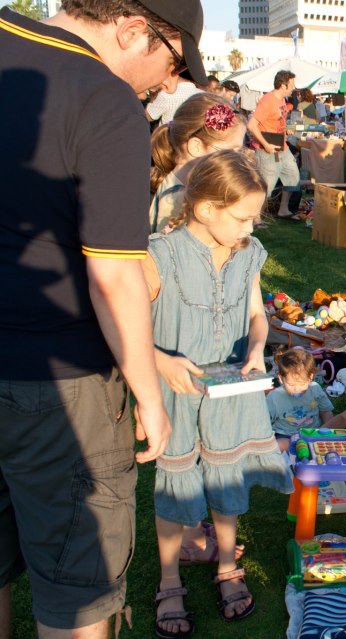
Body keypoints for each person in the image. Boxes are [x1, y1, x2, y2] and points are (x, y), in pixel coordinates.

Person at [0, 1, 207, 635]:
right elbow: (113, 277)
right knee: (80, 592)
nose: (167, 85)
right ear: (133, 29)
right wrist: (149, 392)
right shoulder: (105, 98)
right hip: (58, 384)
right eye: (172, 64)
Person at [144, 151, 293, 636]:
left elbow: (256, 314)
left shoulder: (248, 253)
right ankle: (170, 580)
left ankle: (227, 564)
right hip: (176, 391)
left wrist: (257, 347)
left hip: (231, 388)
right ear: (207, 209)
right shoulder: (159, 254)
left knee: (228, 477)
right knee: (176, 482)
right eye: (243, 217)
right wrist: (159, 363)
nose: (251, 227)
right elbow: (127, 325)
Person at [150, 93, 247, 232]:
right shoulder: (176, 197)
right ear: (196, 147)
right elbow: (170, 244)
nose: (237, 159)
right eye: (230, 151)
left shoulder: (190, 186)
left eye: (239, 150)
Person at [248, 70, 301, 220]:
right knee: (267, 185)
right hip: (267, 150)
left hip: (281, 147)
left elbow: (277, 122)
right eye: (292, 84)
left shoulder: (282, 100)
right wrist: (266, 145)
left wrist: (286, 130)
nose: (294, 88)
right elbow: (251, 125)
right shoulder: (267, 101)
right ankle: (255, 217)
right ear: (283, 85)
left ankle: (283, 209)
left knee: (292, 177)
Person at [267, 347, 335, 453]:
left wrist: (327, 430)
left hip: (313, 433)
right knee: (278, 446)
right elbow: (265, 422)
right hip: (286, 435)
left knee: (328, 445)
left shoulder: (315, 389)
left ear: (310, 377)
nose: (297, 389)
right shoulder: (274, 397)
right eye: (291, 384)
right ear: (281, 379)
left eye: (302, 384)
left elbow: (325, 411)